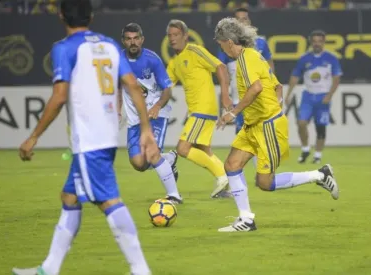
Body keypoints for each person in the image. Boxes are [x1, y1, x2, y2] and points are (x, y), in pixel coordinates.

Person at [12, 1, 155, 274]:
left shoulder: (65, 48)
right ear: (90, 16)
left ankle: (140, 270)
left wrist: (33, 137)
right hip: (106, 134)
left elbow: (59, 96)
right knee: (69, 196)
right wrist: (146, 128)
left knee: (108, 201)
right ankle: (49, 268)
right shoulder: (111, 45)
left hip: (89, 140)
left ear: (61, 14)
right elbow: (133, 86)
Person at [214, 17, 339, 233]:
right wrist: (275, 105)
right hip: (253, 125)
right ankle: (246, 219)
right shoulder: (253, 57)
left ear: (229, 41)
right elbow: (277, 86)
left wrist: (233, 113)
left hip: (267, 127)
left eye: (220, 43)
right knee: (232, 165)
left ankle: (320, 175)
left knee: (265, 183)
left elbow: (256, 88)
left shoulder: (246, 59)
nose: (221, 48)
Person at [165, 19, 232, 199]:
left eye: (176, 35)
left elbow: (220, 66)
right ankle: (228, 183)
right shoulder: (174, 62)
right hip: (196, 110)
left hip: (203, 108)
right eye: (170, 35)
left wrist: (224, 95)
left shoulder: (194, 50)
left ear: (185, 36)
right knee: (204, 150)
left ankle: (222, 177)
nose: (172, 38)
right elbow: (165, 88)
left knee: (183, 149)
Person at [120, 22, 182, 204]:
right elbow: (117, 86)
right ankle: (169, 159)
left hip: (156, 115)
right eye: (129, 39)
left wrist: (156, 107)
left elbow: (167, 90)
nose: (133, 42)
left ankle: (174, 196)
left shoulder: (152, 59)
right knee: (139, 164)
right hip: (134, 121)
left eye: (136, 39)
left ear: (142, 39)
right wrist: (116, 109)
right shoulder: (118, 61)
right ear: (123, 41)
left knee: (152, 154)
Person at [217, 7, 276, 169]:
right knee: (244, 138)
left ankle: (256, 173)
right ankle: (258, 173)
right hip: (240, 99)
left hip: (259, 99)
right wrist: (225, 95)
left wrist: (273, 90)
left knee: (249, 138)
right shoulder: (228, 46)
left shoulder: (261, 43)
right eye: (239, 20)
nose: (243, 22)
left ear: (249, 21)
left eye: (245, 19)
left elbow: (269, 67)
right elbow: (222, 70)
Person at [285, 30, 342, 164]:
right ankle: (305, 149)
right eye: (314, 41)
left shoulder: (331, 58)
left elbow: (336, 78)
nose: (317, 44)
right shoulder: (304, 59)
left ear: (323, 42)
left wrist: (329, 95)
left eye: (319, 41)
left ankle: (317, 154)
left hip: (323, 97)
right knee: (301, 123)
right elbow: (295, 76)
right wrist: (288, 94)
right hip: (308, 96)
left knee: (320, 127)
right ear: (311, 42)